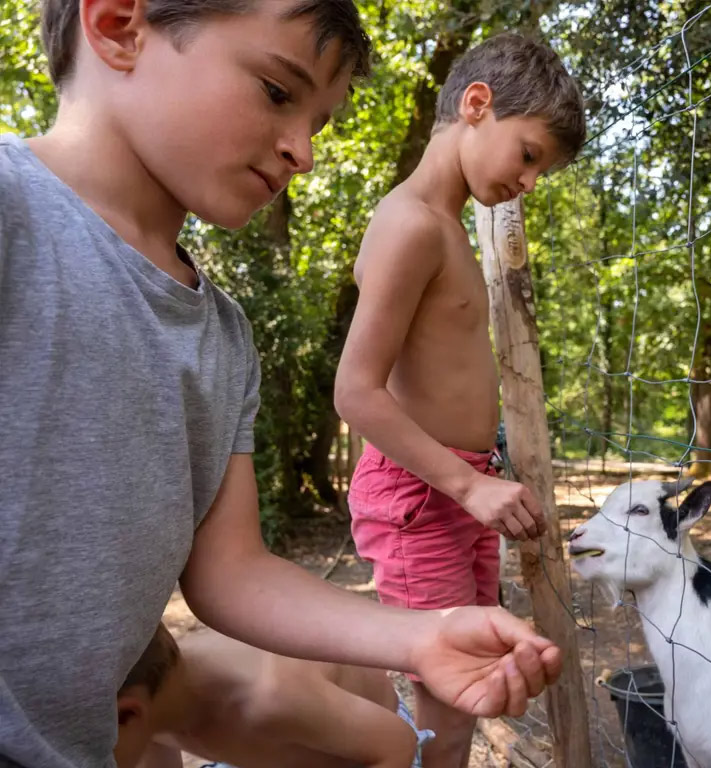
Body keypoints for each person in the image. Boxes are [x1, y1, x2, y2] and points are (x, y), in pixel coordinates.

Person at [0, 4, 562, 767]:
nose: (303, 153)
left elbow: (231, 572)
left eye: (320, 125)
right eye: (274, 91)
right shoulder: (15, 218)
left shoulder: (222, 337)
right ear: (120, 25)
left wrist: (422, 636)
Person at [333, 33, 585, 767]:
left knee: (470, 689)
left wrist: (481, 473)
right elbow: (355, 390)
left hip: (458, 488)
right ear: (477, 106)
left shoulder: (445, 227)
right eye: (530, 154)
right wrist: (467, 483)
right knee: (448, 705)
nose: (531, 181)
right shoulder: (412, 224)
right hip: (422, 496)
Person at [114, 623, 433, 768]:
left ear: (128, 715)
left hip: (369, 751)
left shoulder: (270, 698)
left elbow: (396, 745)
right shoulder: (148, 715)